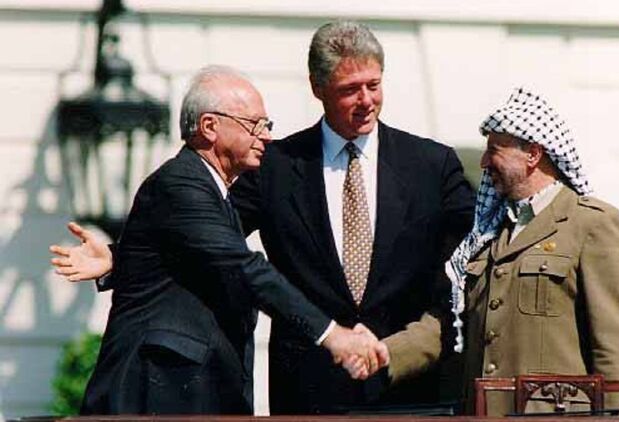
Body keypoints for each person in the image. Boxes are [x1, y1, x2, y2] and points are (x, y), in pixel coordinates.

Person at [52, 22, 619, 415]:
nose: (365, 100)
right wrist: (124, 257)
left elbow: (488, 236)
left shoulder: (432, 164)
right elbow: (213, 242)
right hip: (309, 391)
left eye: (374, 85)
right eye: (349, 89)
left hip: (411, 387)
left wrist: (583, 241)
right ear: (319, 89)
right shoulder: (276, 165)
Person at [54, 65, 386, 415]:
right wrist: (332, 335)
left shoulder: (216, 194)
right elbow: (242, 267)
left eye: (267, 125)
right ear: (210, 126)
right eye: (254, 124)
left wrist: (117, 257)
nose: (266, 136)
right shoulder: (180, 184)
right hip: (158, 396)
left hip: (201, 395)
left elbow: (182, 255)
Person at [346, 87, 619, 416]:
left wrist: (617, 417)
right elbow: (451, 323)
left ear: (533, 154)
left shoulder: (591, 224)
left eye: (494, 150)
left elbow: (618, 351)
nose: (484, 162)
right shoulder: (486, 233)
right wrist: (385, 352)